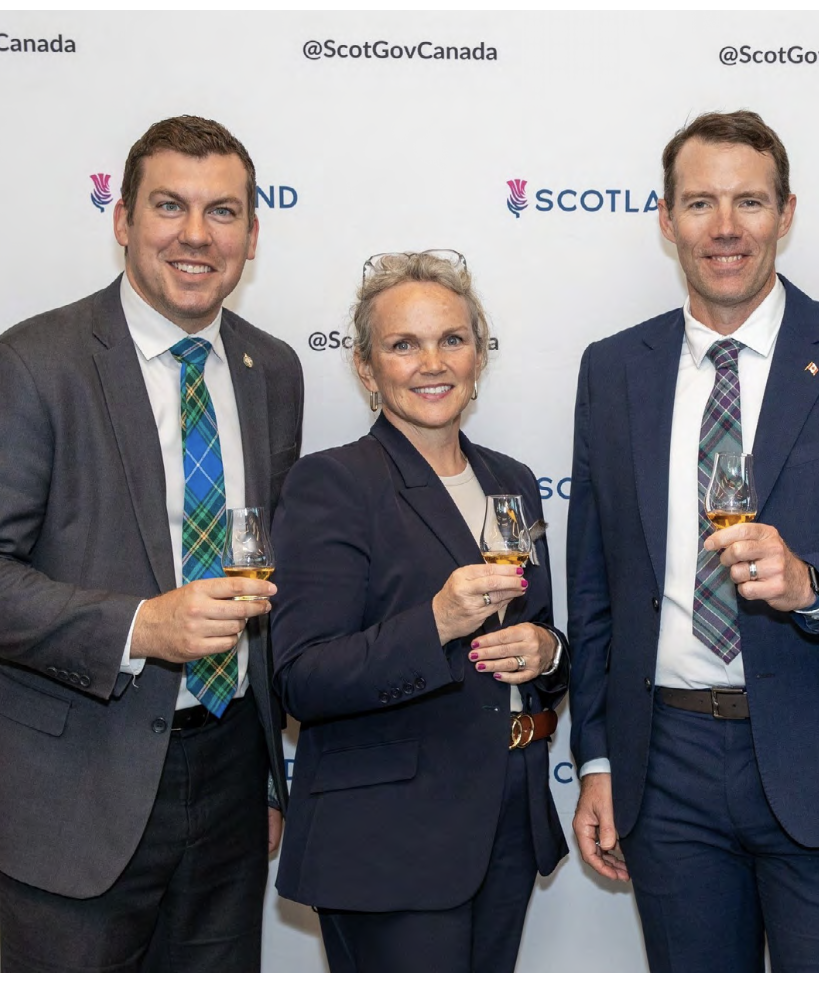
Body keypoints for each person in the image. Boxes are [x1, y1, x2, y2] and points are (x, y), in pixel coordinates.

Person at [566, 109, 819, 972]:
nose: (726, 227)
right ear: (666, 221)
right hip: (663, 770)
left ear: (785, 214)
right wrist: (595, 755)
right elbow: (595, 586)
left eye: (749, 202)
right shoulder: (613, 367)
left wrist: (813, 582)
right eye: (700, 203)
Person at [0, 116, 302, 971]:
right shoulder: (30, 365)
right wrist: (141, 627)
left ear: (252, 232)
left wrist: (268, 777)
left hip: (227, 780)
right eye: (170, 206)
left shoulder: (272, 370)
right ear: (122, 218)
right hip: (67, 790)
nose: (197, 235)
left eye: (225, 212)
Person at [269, 250, 569, 972]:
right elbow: (302, 679)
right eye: (404, 344)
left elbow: (547, 632)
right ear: (368, 369)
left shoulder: (512, 480)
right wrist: (435, 621)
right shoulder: (332, 483)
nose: (432, 363)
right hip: (388, 837)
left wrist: (549, 653)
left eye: (452, 340)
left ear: (478, 354)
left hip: (505, 820)